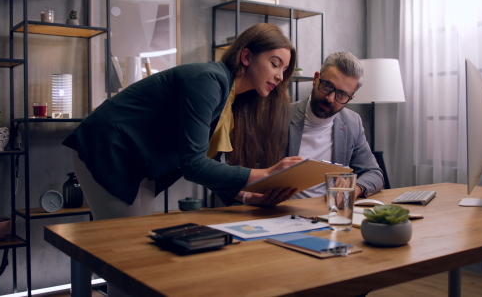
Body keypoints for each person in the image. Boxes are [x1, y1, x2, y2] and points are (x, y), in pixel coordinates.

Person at [64, 23, 303, 221]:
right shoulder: (209, 80)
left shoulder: (231, 99)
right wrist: (266, 173)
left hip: (138, 161)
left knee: (134, 245)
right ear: (247, 56)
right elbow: (193, 165)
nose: (280, 77)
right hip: (106, 148)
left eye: (284, 70)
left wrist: (246, 197)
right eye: (275, 63)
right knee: (124, 247)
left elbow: (207, 162)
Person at [287, 52, 384, 199]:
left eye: (342, 95)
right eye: (327, 86)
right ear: (315, 79)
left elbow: (374, 174)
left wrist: (354, 188)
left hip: (329, 211)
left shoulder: (352, 123)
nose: (330, 99)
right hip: (283, 211)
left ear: (351, 98)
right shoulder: (279, 115)